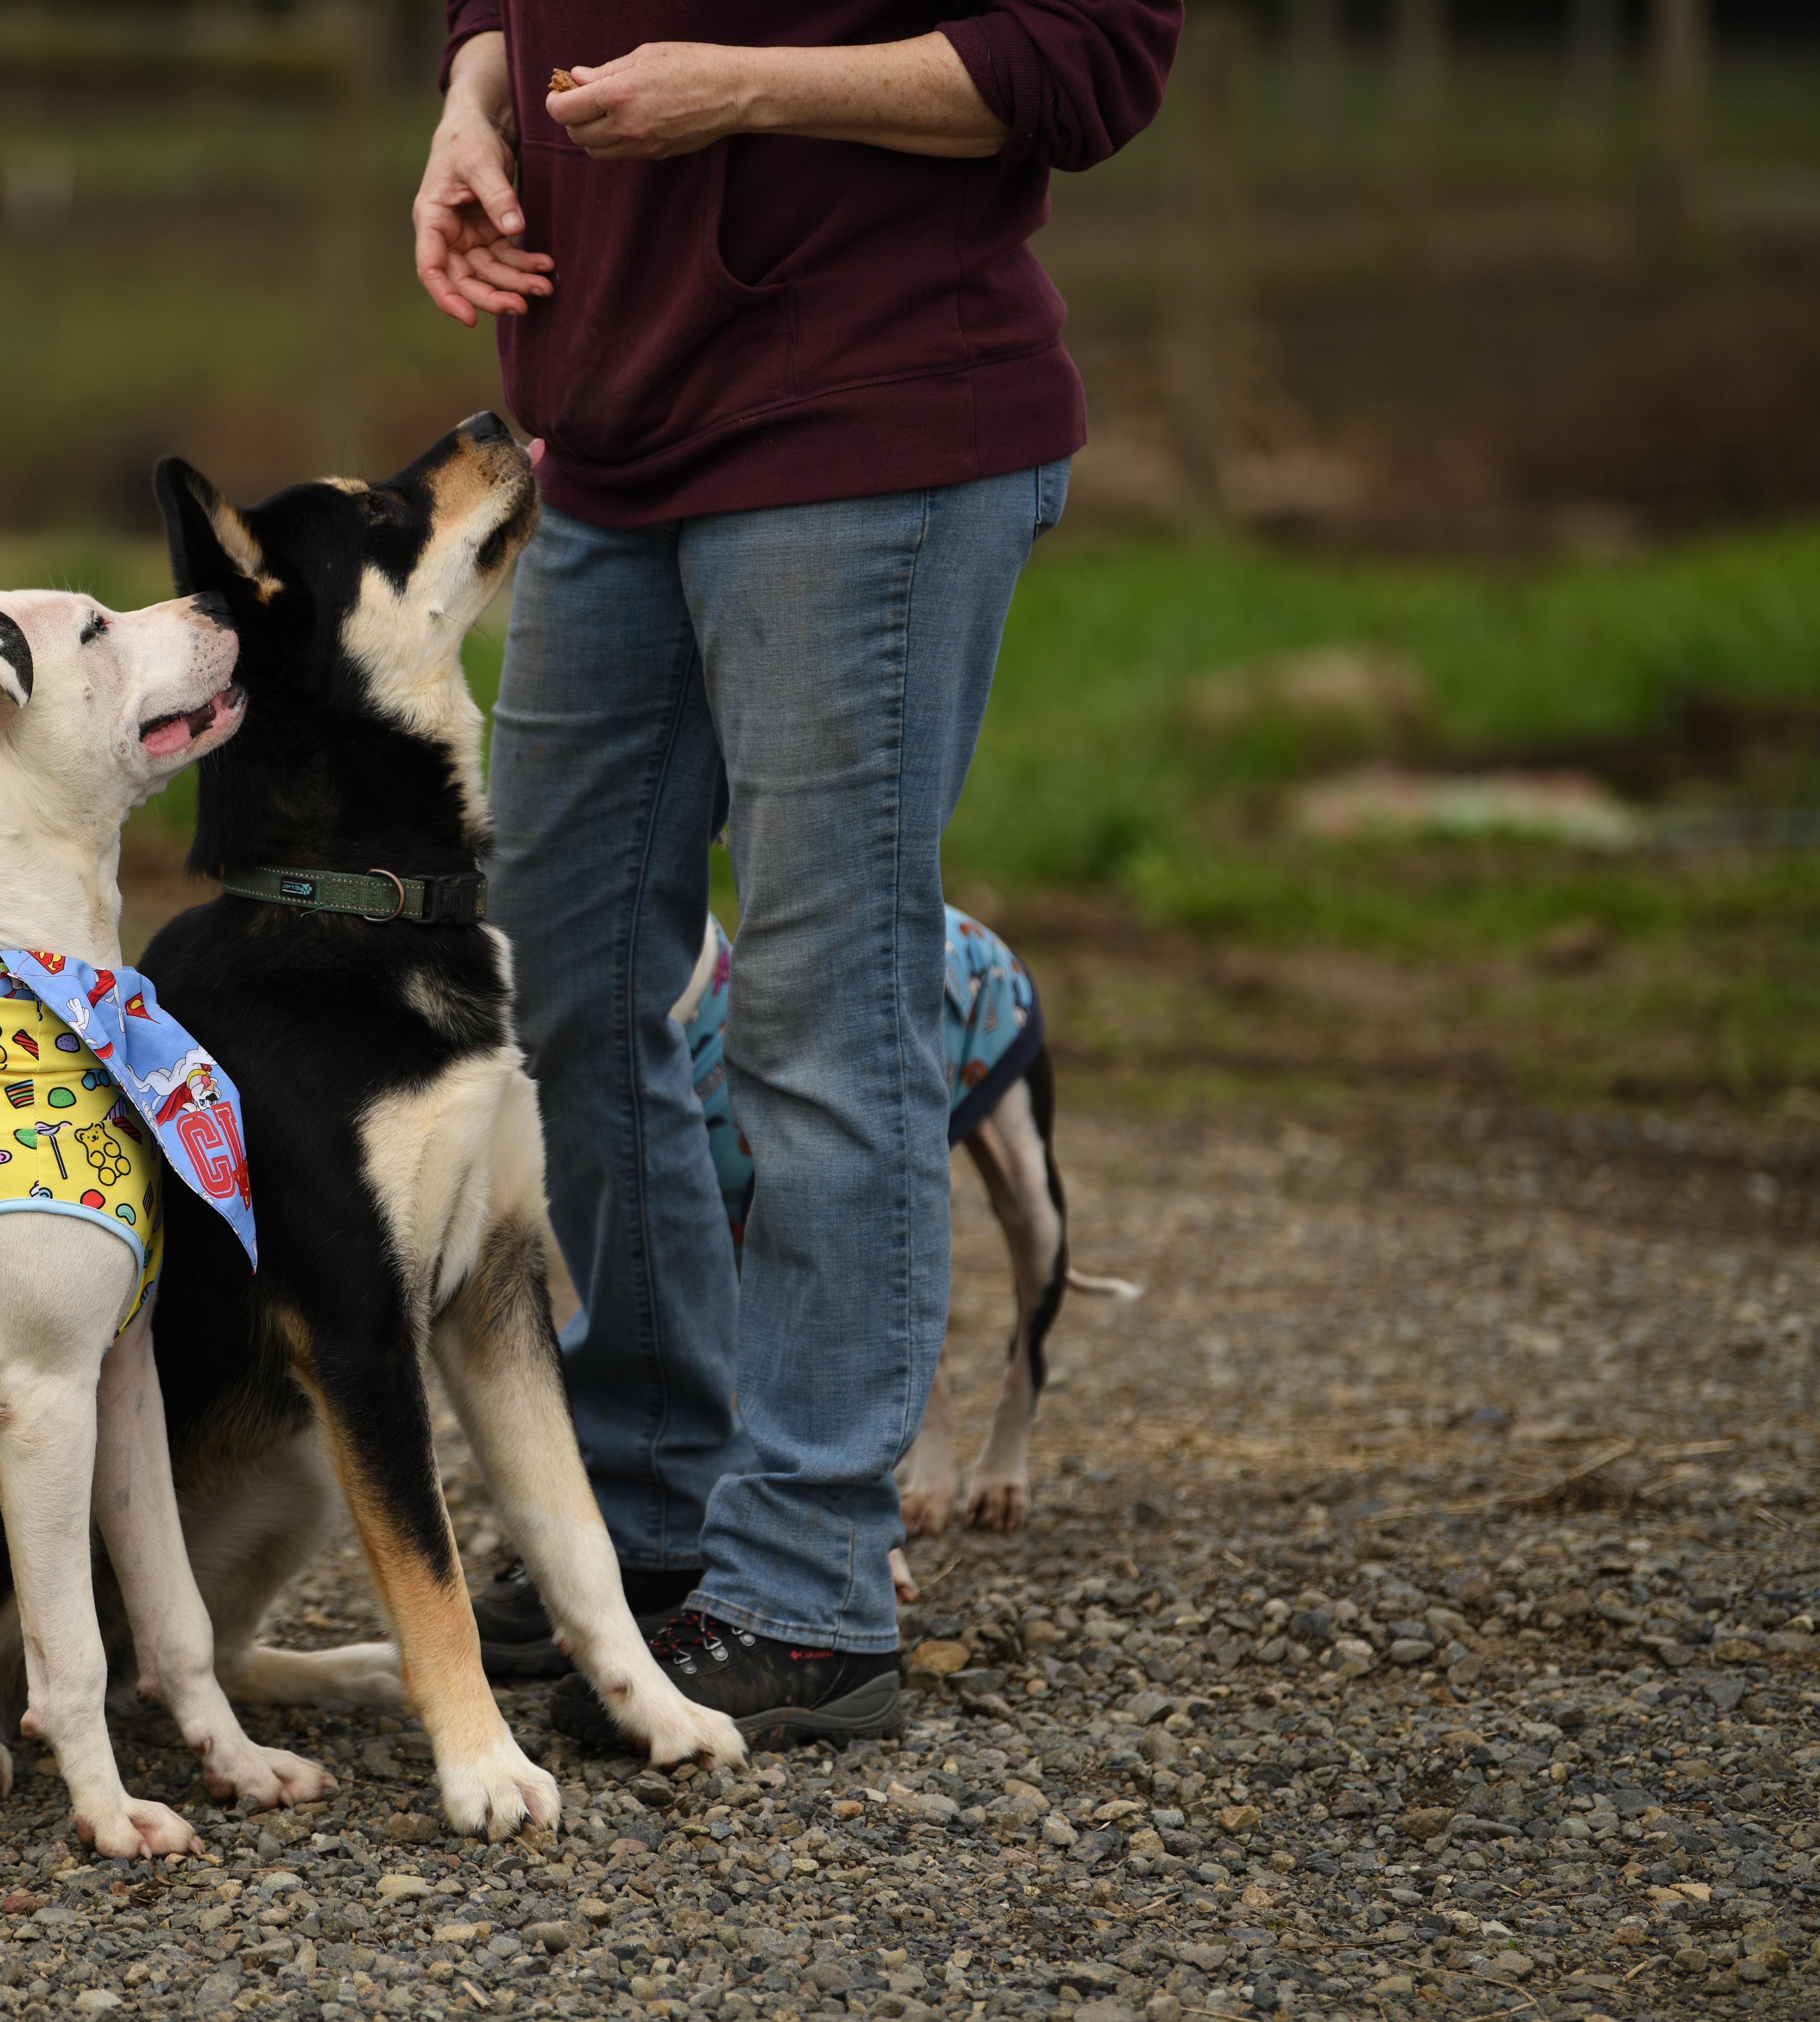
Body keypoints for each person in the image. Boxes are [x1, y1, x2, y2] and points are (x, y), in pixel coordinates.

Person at [414, 2, 1178, 1744]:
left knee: (823, 1010)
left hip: (869, 431)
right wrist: (477, 97)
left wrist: (743, 91)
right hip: (609, 434)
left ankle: (809, 1586)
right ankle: (655, 1503)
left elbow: (1093, 60)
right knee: (562, 980)